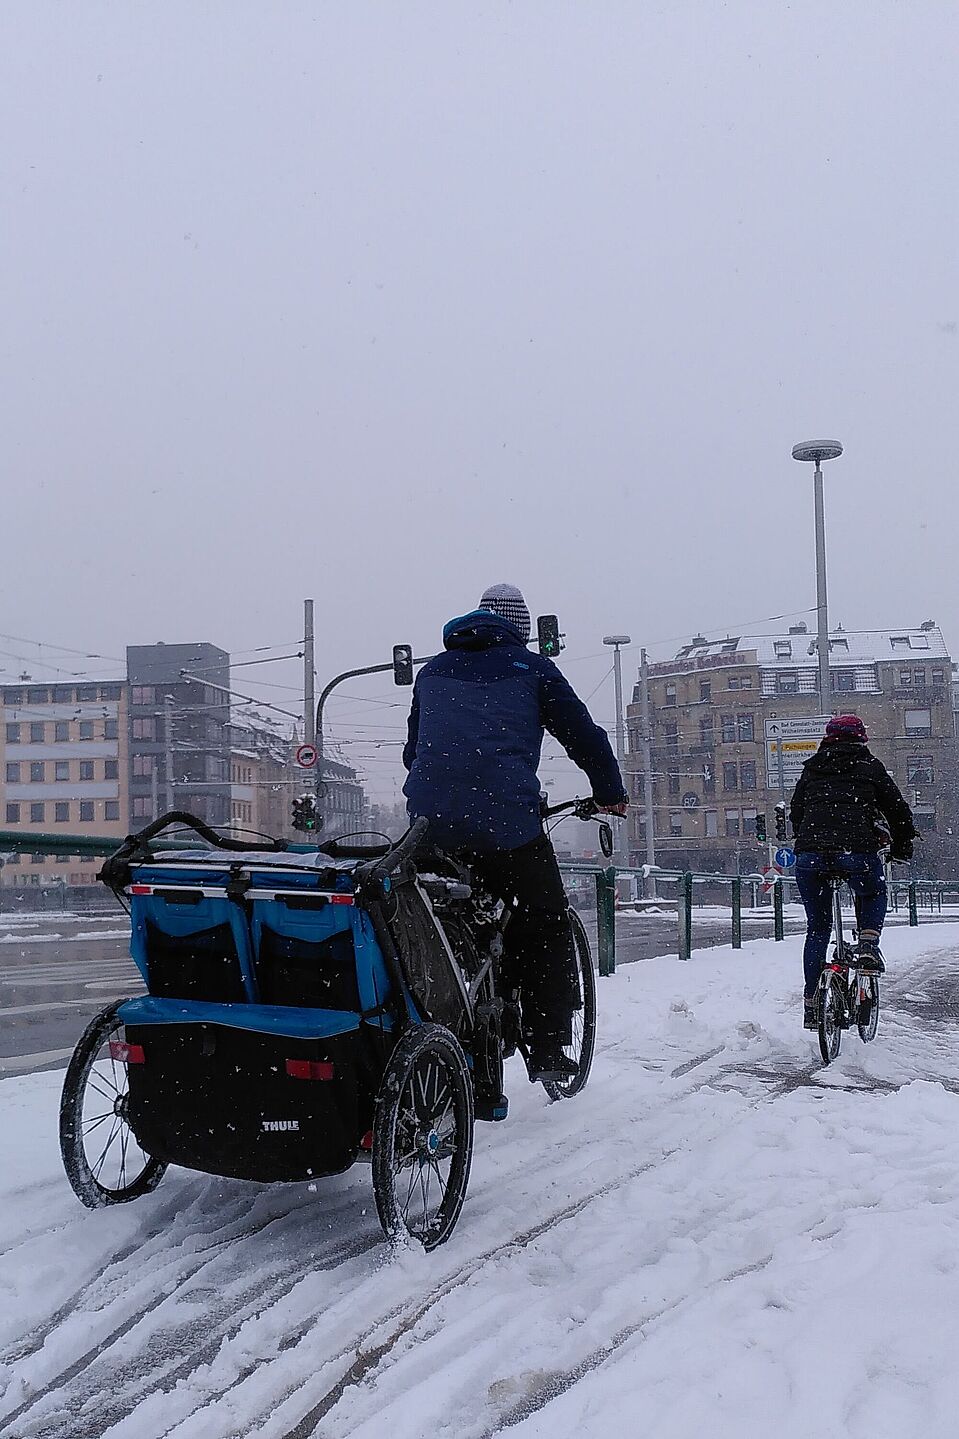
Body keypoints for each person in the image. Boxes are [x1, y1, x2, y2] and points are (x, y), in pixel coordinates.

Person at [402, 583, 628, 1081]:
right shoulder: (533, 669)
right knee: (544, 920)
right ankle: (547, 1047)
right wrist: (609, 791)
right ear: (520, 629)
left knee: (420, 921)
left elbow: (412, 752)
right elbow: (583, 737)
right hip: (505, 822)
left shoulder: (432, 672)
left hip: (428, 827)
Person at [790, 713, 916, 1030]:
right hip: (856, 851)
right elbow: (898, 810)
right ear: (861, 738)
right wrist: (902, 846)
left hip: (811, 856)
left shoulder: (811, 768)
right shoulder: (869, 767)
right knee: (872, 891)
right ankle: (869, 945)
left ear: (827, 738)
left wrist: (808, 840)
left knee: (818, 929)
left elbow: (796, 811)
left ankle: (812, 1004)